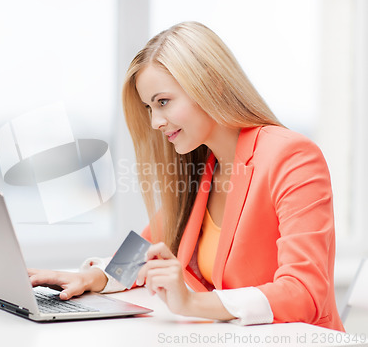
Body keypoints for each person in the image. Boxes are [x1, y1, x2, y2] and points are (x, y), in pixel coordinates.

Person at [28, 21, 344, 331]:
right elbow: (145, 251)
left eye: (163, 102)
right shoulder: (203, 167)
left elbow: (305, 291)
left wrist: (192, 304)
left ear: (212, 85)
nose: (154, 122)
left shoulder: (292, 156)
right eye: (150, 108)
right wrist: (89, 278)